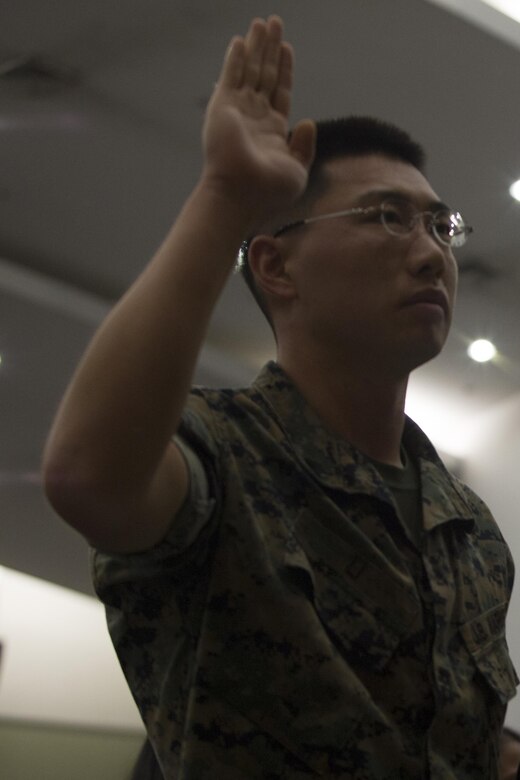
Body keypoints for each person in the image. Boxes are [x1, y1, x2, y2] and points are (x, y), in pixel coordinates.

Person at [42, 15, 518, 780]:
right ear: (276, 267)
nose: (432, 253)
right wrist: (226, 196)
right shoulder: (222, 458)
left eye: (440, 226)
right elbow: (89, 478)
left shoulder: (475, 536)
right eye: (388, 218)